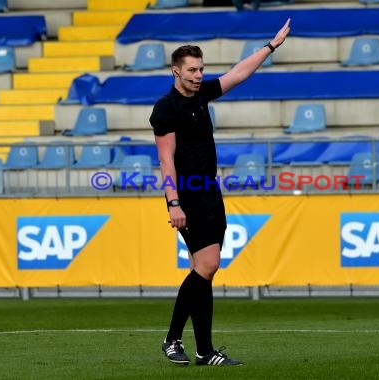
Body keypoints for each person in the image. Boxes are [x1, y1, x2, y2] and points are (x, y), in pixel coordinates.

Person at [150, 19, 291, 366]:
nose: (199, 75)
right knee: (208, 265)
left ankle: (204, 351)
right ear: (176, 71)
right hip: (188, 195)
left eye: (201, 69)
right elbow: (166, 160)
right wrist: (173, 203)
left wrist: (270, 47)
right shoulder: (166, 108)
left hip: (210, 193)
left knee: (205, 271)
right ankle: (171, 339)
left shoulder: (201, 95)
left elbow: (239, 74)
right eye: (192, 70)